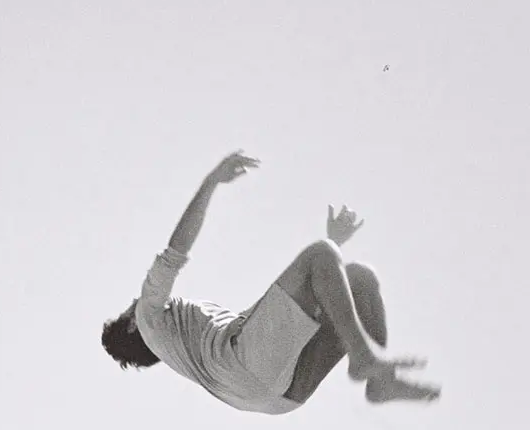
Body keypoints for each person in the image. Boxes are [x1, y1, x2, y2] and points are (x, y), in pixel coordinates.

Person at [101, 152, 440, 413]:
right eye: (130, 306)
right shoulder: (148, 317)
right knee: (320, 253)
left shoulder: (190, 341)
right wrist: (211, 182)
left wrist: (334, 250)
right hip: (246, 366)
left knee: (358, 280)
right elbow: (176, 250)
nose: (136, 299)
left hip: (277, 396)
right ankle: (365, 359)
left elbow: (273, 319)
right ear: (131, 325)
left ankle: (381, 384)